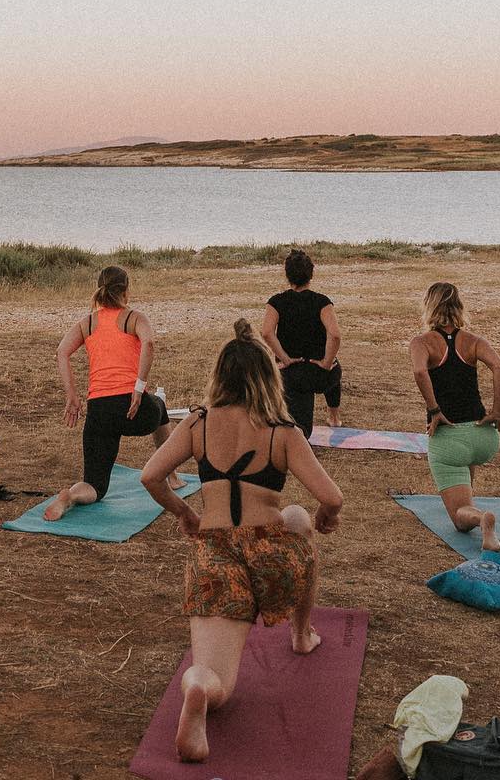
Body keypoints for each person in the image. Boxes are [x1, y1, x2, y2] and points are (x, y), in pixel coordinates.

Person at [141, 319, 344, 765]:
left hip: (216, 555)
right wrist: (324, 519)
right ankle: (301, 633)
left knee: (217, 679)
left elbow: (150, 475)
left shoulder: (197, 422)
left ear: (220, 377)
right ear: (268, 379)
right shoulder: (281, 430)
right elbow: (331, 497)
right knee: (297, 519)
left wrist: (185, 513)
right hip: (272, 559)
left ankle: (198, 688)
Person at [43, 264, 177, 521]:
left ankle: (70, 496)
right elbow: (149, 342)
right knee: (159, 405)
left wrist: (72, 396)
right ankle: (171, 475)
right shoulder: (134, 317)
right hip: (133, 408)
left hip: (99, 411)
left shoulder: (88, 322)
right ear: (125, 291)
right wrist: (139, 388)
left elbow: (62, 352)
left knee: (94, 486)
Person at [410, 281, 500, 552]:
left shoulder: (422, 343)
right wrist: (497, 412)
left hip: (449, 440)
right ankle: (468, 500)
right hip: (483, 438)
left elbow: (420, 372)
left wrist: (434, 410)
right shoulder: (473, 341)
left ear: (429, 307)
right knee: (465, 461)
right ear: (459, 307)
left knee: (460, 516)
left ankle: (479, 518)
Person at [261, 248, 343, 437]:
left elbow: (267, 333)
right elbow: (335, 335)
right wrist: (326, 362)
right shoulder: (322, 302)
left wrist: (285, 359)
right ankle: (334, 417)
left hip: (291, 374)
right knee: (335, 367)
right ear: (310, 275)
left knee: (301, 424)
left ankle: (302, 434)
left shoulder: (276, 302)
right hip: (321, 375)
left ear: (287, 275)